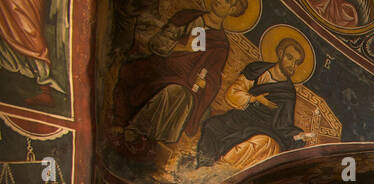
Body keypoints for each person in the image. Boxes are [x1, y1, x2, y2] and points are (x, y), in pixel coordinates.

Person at [113, 0, 247, 158]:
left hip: (186, 82)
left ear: (232, 9)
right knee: (137, 73)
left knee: (178, 93)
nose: (219, 1)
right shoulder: (187, 17)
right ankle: (129, 131)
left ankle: (140, 136)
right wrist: (184, 47)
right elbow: (157, 43)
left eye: (227, 1)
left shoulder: (221, 44)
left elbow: (213, 76)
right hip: (162, 67)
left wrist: (205, 83)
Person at [196, 36, 314, 169]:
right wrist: (253, 99)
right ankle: (203, 167)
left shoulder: (288, 93)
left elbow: (283, 124)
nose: (292, 65)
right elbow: (233, 92)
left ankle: (221, 169)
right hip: (241, 118)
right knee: (212, 125)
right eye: (289, 58)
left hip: (265, 128)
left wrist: (297, 135)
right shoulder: (256, 69)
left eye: (297, 62)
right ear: (280, 53)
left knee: (263, 143)